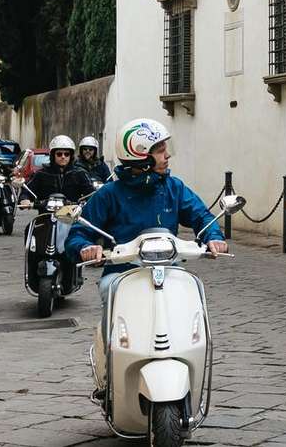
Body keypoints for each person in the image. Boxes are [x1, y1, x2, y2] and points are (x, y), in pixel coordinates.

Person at [69, 118, 226, 397]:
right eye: (160, 150)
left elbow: (201, 216)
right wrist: (86, 247)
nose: (167, 156)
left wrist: (212, 236)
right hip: (123, 272)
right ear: (141, 155)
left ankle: (190, 359)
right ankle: (108, 371)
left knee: (191, 291)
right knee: (109, 290)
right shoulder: (110, 194)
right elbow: (79, 232)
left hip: (169, 269)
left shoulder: (174, 188)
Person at [28, 135, 96, 203]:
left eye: (66, 154)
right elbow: (28, 191)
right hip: (46, 209)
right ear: (53, 155)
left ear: (71, 156)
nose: (63, 157)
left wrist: (88, 200)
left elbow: (91, 193)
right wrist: (25, 199)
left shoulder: (80, 173)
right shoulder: (41, 174)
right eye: (59, 154)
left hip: (72, 209)